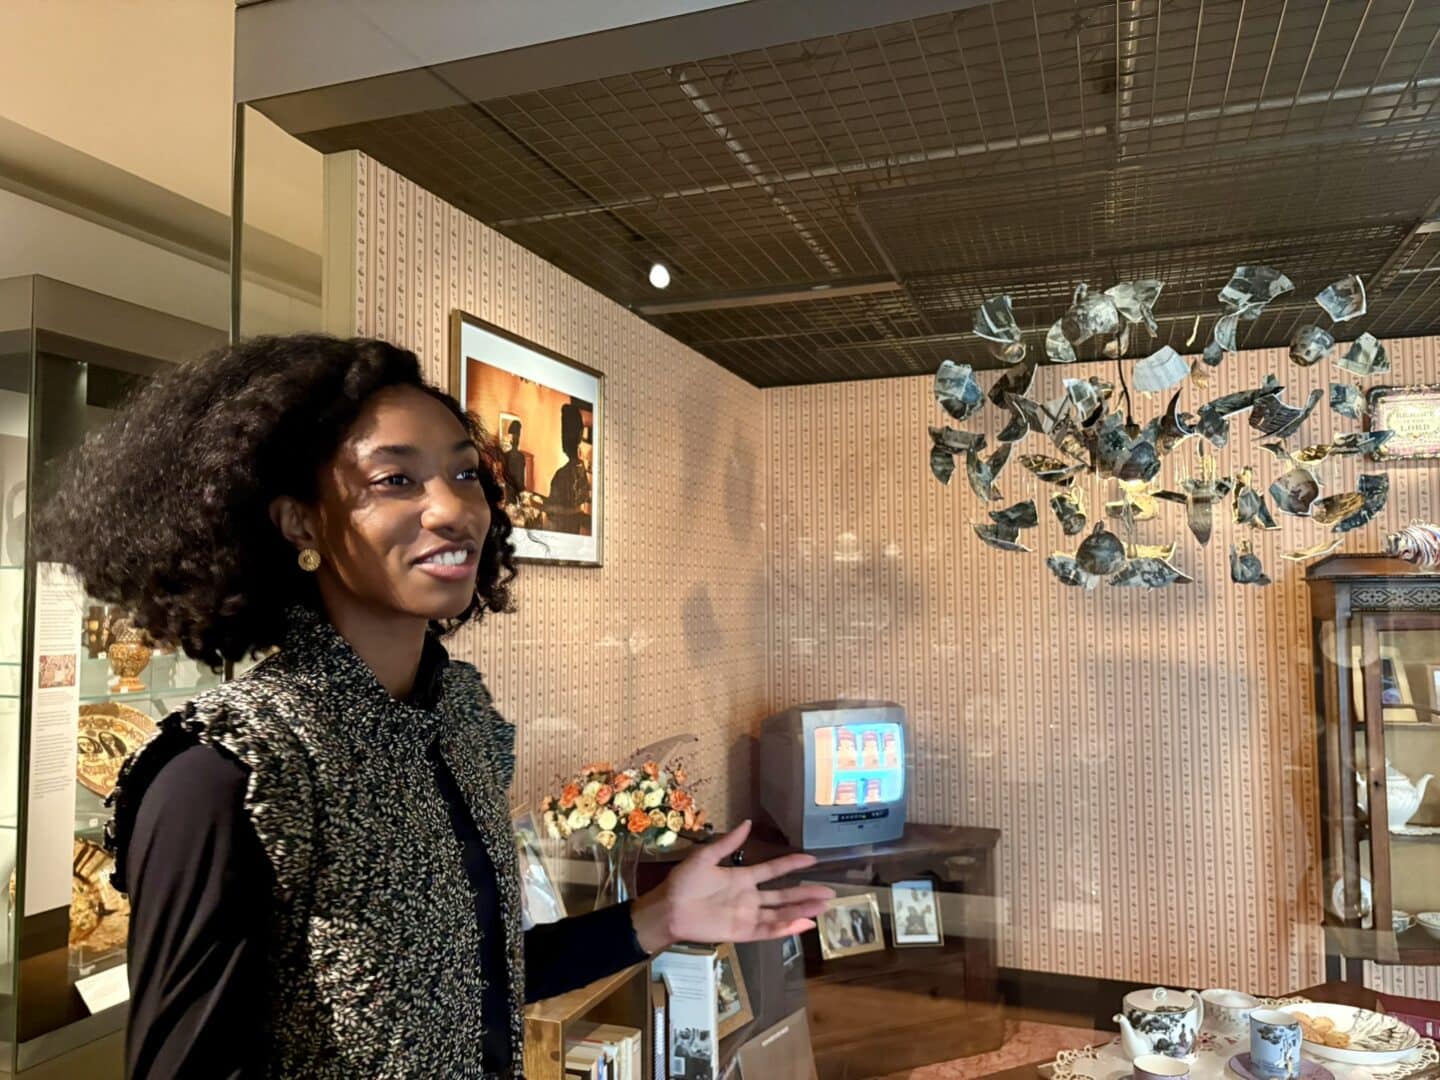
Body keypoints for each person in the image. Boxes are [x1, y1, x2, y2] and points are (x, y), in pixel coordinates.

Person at [37, 335, 833, 1079]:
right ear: (300, 520)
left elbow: (476, 983)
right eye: (396, 480)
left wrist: (657, 918)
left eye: (464, 473)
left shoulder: (463, 723)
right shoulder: (228, 771)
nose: (454, 510)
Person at [545, 401, 590, 533]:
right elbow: (581, 499)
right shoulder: (580, 467)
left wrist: (543, 506)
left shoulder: (562, 474)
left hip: (563, 531)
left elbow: (555, 512)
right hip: (573, 529)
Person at [501, 418, 527, 498]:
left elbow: (521, 477)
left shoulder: (521, 457)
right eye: (514, 437)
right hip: (511, 490)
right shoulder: (507, 456)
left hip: (517, 490)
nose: (516, 439)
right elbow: (505, 475)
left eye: (517, 437)